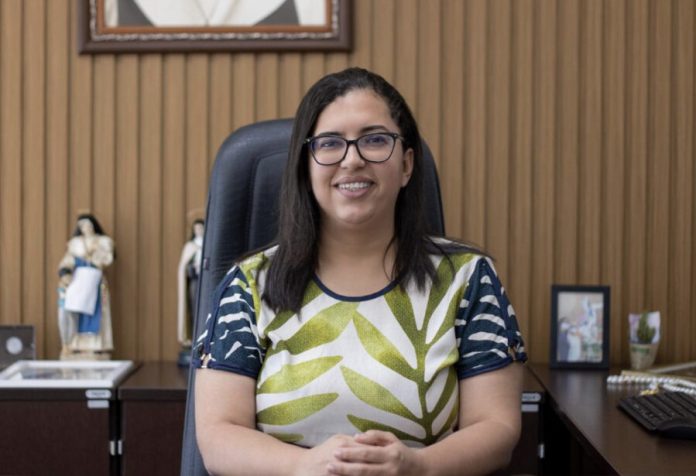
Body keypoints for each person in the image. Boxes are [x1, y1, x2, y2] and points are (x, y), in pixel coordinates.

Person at [194, 67, 527, 475]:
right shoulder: (250, 284)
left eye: (374, 140)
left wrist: (417, 466)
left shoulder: (468, 278)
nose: (352, 160)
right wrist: (305, 466)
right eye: (330, 143)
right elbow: (218, 437)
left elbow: (497, 427)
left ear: (407, 165)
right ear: (306, 167)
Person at [57, 214, 115, 360]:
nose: (86, 228)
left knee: (97, 311)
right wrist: (65, 273)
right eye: (82, 225)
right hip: (79, 281)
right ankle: (75, 344)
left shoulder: (103, 242)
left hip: (96, 281)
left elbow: (107, 259)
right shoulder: (75, 244)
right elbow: (67, 261)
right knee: (76, 310)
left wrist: (95, 253)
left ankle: (96, 345)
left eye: (88, 224)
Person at [177, 218, 205, 366]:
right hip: (195, 281)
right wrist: (192, 268)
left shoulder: (208, 243)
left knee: (205, 308)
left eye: (201, 228)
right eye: (197, 228)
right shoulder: (190, 246)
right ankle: (193, 337)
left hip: (206, 280)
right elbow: (184, 266)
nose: (199, 231)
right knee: (194, 308)